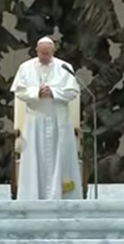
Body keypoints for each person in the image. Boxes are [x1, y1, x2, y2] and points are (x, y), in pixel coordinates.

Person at [11, 37, 83, 200]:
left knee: (60, 157)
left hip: (59, 120)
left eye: (48, 53)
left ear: (53, 52)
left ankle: (62, 195)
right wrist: (36, 93)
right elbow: (19, 92)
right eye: (42, 53)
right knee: (35, 158)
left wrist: (53, 92)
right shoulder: (25, 67)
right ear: (36, 51)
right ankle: (33, 196)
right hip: (35, 120)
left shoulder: (65, 67)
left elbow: (73, 92)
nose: (45, 56)